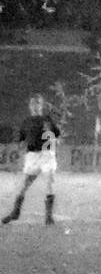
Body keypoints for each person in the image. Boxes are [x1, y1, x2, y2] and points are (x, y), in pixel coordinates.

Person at [3, 95, 60, 226]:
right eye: (33, 104)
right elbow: (20, 138)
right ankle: (15, 212)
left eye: (37, 104)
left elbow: (56, 134)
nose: (35, 106)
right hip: (32, 156)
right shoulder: (26, 122)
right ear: (30, 106)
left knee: (49, 182)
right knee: (24, 185)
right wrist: (20, 144)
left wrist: (53, 138)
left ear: (41, 106)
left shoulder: (47, 120)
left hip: (47, 154)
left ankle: (48, 217)